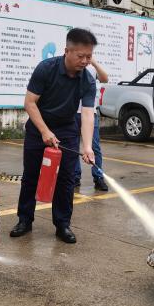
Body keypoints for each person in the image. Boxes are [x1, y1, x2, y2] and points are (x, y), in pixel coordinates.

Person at [10, 28, 97, 244]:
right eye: (81, 56)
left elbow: (87, 114)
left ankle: (62, 224)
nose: (85, 61)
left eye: (89, 57)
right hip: (38, 127)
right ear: (67, 51)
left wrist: (87, 146)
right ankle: (24, 220)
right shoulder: (46, 69)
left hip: (67, 130)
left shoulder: (87, 80)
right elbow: (29, 103)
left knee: (66, 180)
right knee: (31, 176)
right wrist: (44, 131)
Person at [74, 59, 109, 191]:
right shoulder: (72, 64)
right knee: (73, 145)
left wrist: (94, 63)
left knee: (95, 147)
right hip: (73, 113)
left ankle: (98, 177)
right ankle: (75, 177)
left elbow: (105, 79)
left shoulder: (92, 67)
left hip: (90, 113)